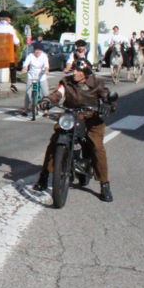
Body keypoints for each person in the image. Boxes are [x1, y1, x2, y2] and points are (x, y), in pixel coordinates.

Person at [34, 60, 114, 202]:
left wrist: (108, 104)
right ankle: (44, 177)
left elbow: (107, 96)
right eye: (74, 69)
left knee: (97, 147)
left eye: (78, 70)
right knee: (54, 141)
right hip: (71, 116)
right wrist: (47, 100)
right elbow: (58, 93)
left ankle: (104, 184)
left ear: (86, 74)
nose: (74, 72)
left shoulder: (97, 83)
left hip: (92, 119)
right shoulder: (66, 82)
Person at [0, 10, 20, 93]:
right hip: (6, 52)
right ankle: (13, 83)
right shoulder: (9, 28)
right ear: (6, 19)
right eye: (9, 18)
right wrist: (18, 43)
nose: (10, 20)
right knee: (13, 64)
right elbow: (15, 41)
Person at [20, 43, 49, 115]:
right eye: (36, 50)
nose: (38, 51)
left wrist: (46, 70)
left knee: (45, 92)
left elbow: (46, 65)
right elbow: (26, 64)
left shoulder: (44, 56)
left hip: (41, 76)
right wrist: (24, 69)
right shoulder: (30, 56)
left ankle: (45, 109)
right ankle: (26, 108)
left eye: (39, 50)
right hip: (31, 76)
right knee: (28, 92)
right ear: (34, 50)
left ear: (42, 50)